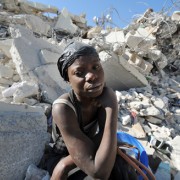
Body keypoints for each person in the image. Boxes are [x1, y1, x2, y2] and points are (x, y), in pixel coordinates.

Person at [41, 41, 136, 180]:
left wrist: (111, 142)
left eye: (96, 67)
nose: (91, 76)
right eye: (79, 73)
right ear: (68, 79)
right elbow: (98, 171)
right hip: (62, 156)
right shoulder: (63, 108)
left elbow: (105, 134)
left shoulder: (102, 96)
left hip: (89, 148)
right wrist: (112, 108)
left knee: (123, 166)